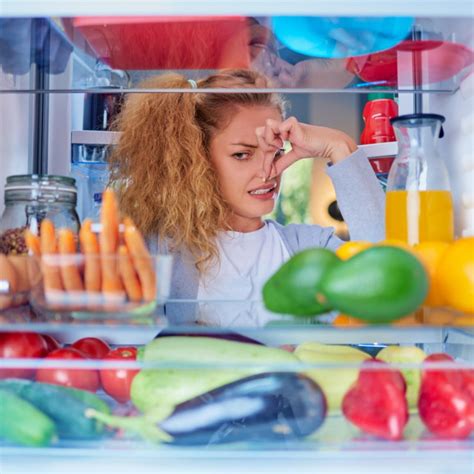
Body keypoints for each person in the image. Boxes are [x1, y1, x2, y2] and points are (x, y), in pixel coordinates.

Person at [109, 69, 385, 326]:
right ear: (196, 159)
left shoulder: (309, 247)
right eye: (242, 154)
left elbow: (386, 276)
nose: (268, 171)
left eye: (276, 153)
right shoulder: (158, 248)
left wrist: (337, 145)